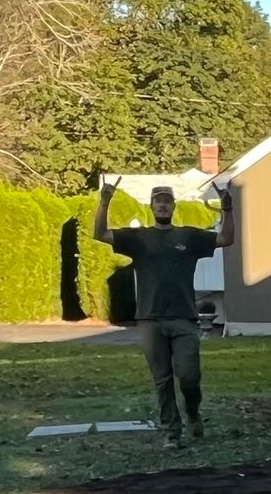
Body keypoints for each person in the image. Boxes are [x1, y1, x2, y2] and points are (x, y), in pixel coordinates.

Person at [94, 176, 237, 447]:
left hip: (184, 319)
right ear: (151, 206)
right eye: (158, 201)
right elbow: (100, 234)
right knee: (162, 380)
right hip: (150, 319)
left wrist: (227, 209)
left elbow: (227, 238)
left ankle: (192, 412)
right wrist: (104, 201)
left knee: (189, 375)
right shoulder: (139, 238)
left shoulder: (189, 237)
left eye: (167, 202)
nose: (163, 206)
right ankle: (171, 432)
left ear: (173, 207)